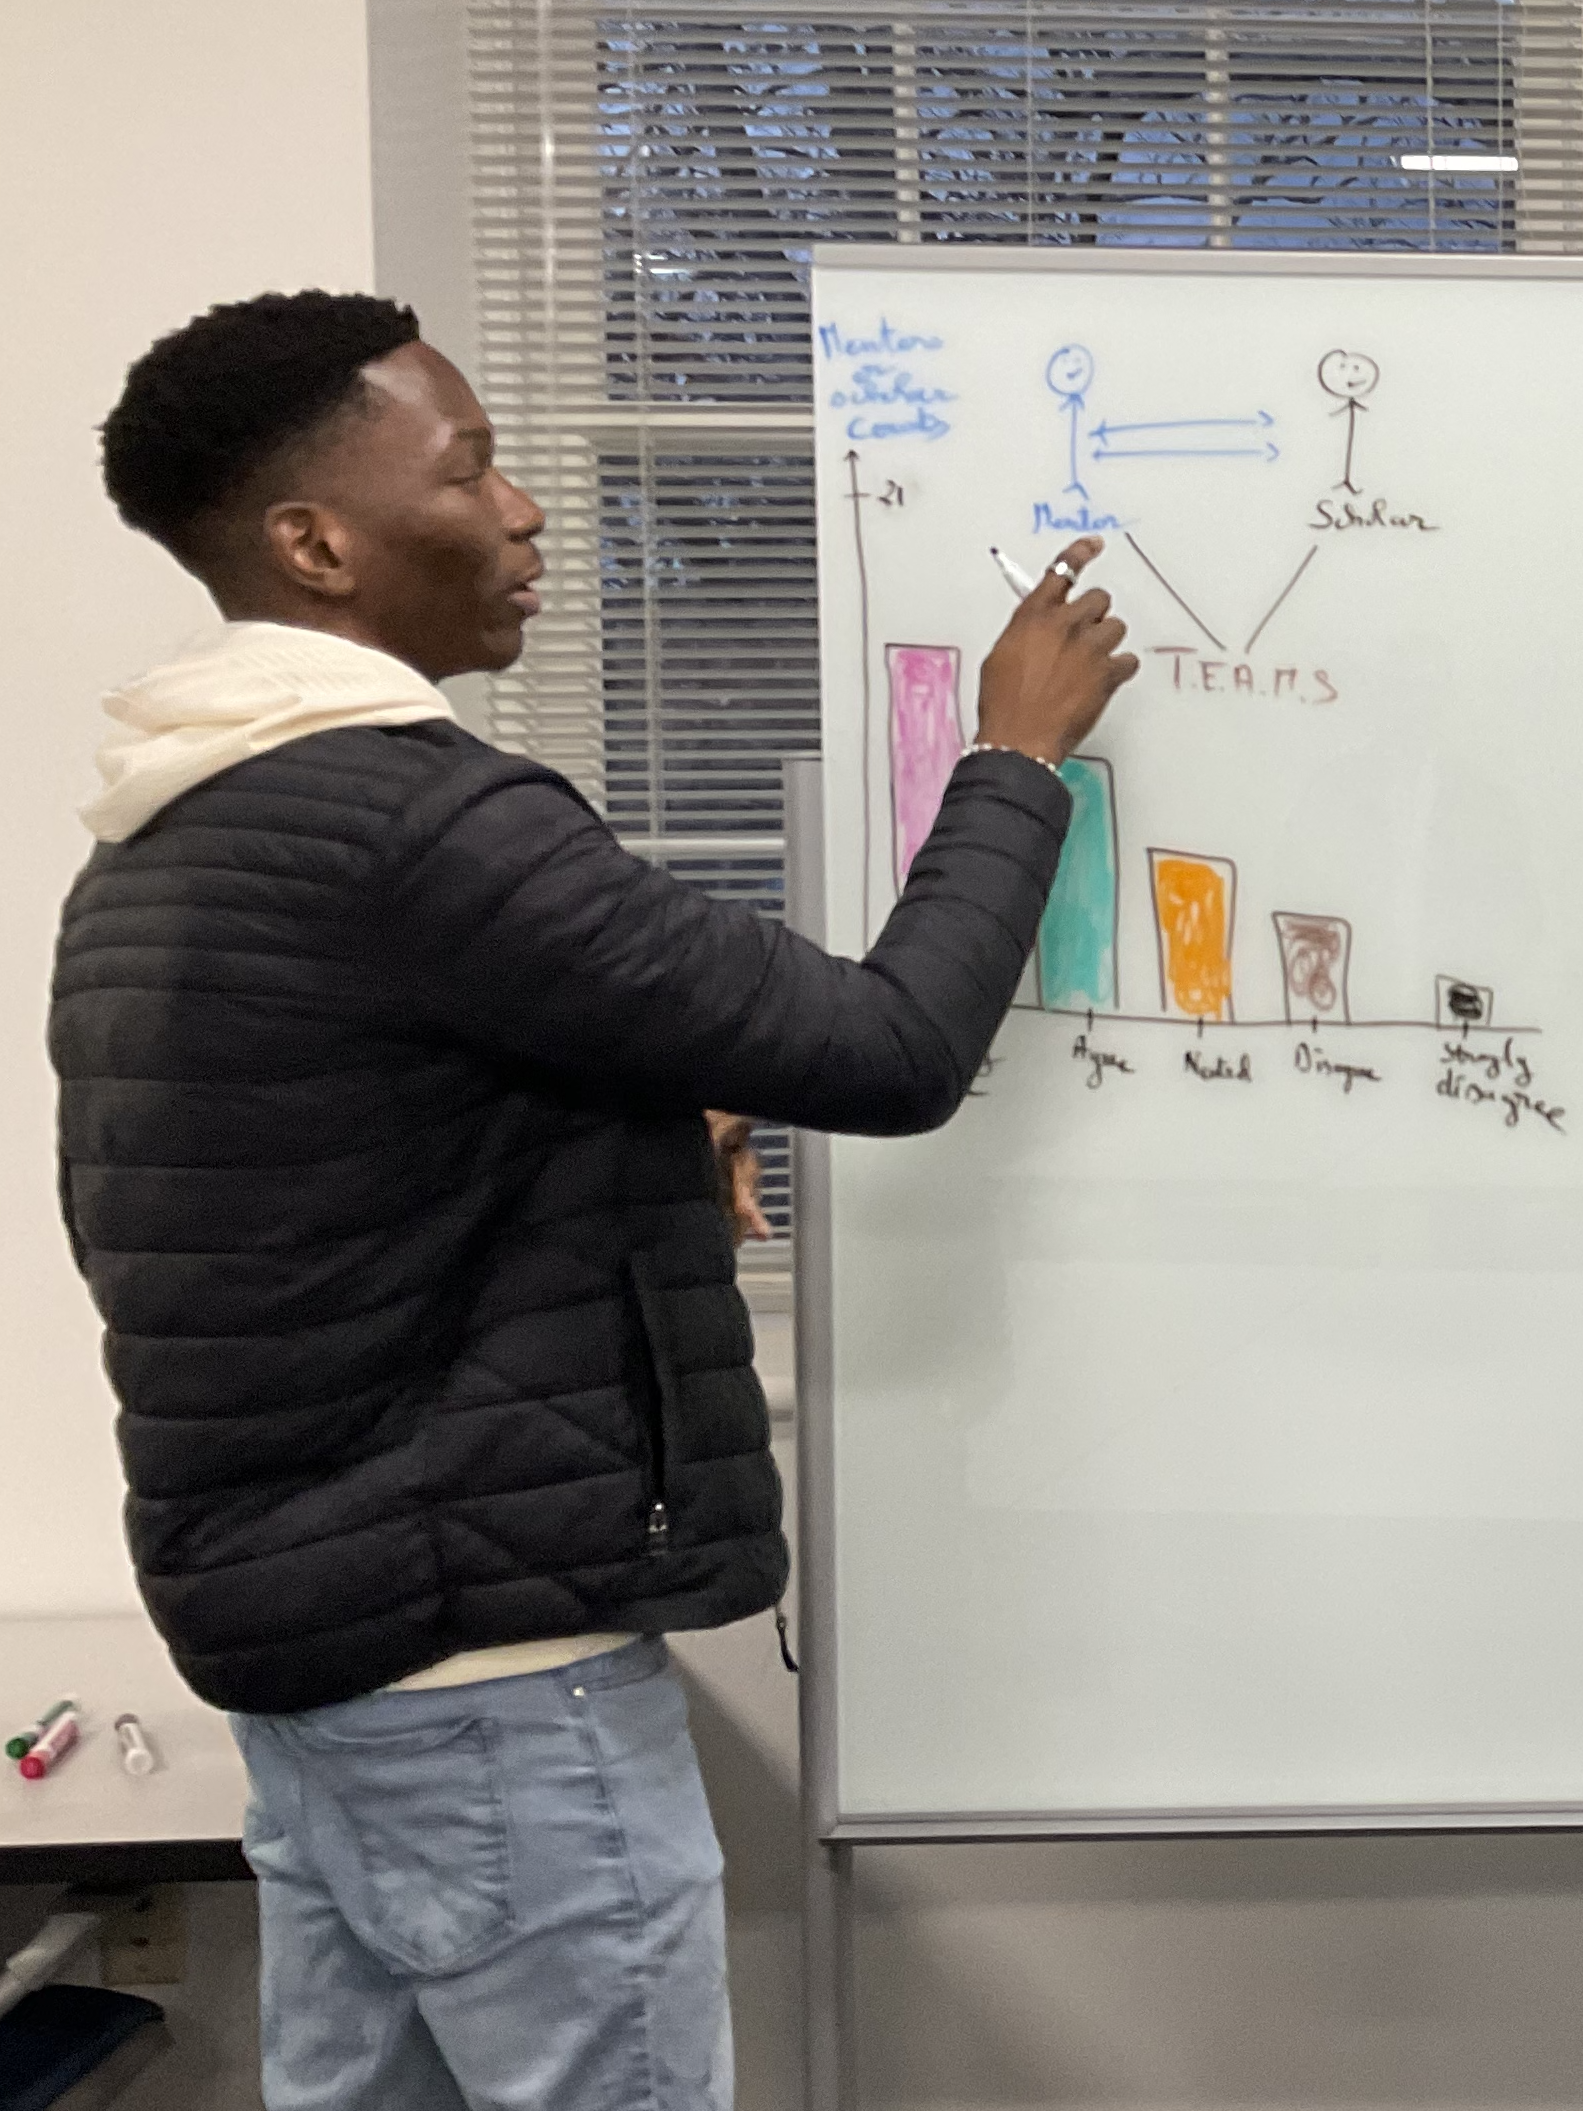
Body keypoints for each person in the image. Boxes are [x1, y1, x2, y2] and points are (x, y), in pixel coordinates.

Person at [52, 290, 1134, 2111]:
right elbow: (885, 1051)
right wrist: (1016, 757)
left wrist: (631, 1131)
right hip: (487, 1686)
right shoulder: (420, 823)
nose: (528, 509)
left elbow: (337, 1180)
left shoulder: (161, 837)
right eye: (469, 467)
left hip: (318, 1663)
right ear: (315, 543)